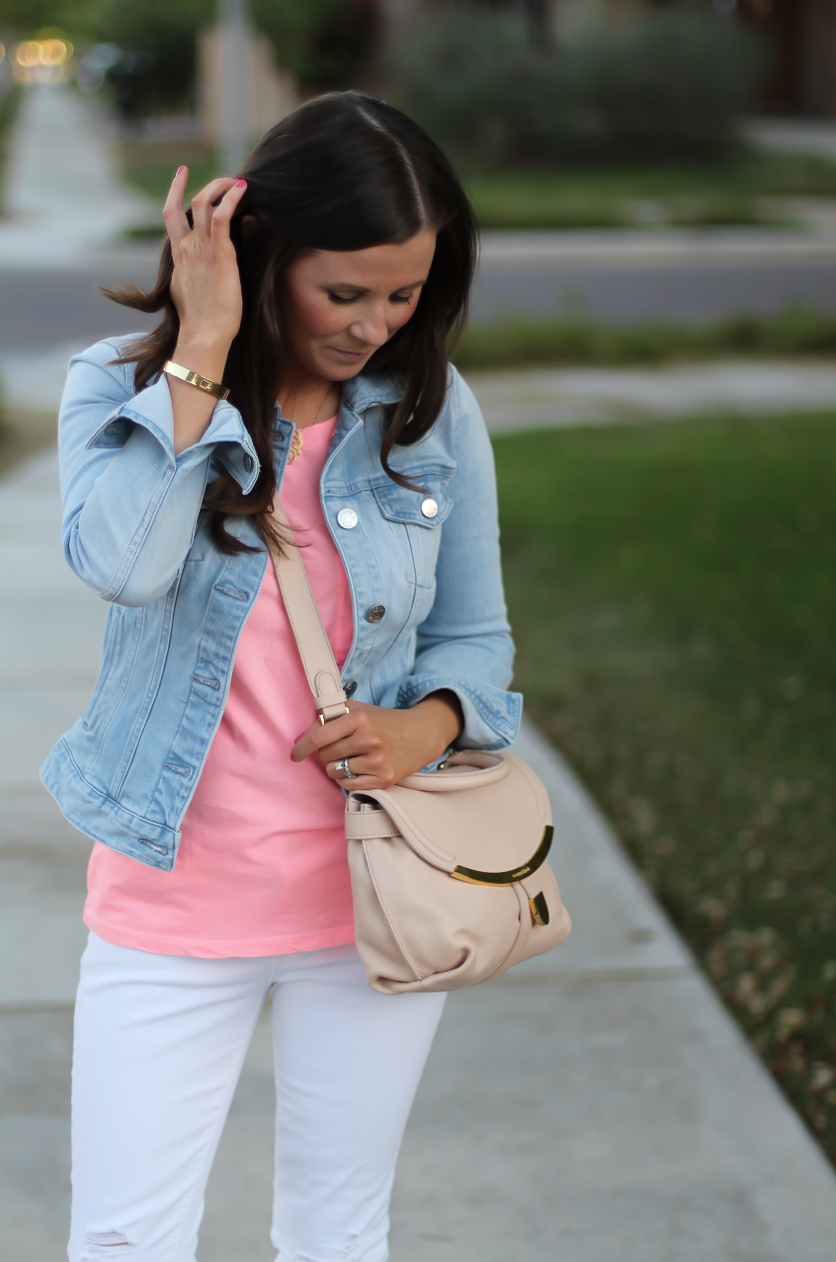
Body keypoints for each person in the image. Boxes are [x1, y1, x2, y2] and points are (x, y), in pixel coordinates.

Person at [42, 91, 521, 1262]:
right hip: (172, 904)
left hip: (368, 907)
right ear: (259, 255)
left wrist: (427, 725)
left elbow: (478, 639)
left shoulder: (426, 408)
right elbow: (125, 563)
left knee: (336, 1230)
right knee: (122, 1237)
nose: (375, 327)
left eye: (404, 294)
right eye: (343, 292)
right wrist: (201, 354)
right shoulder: (115, 387)